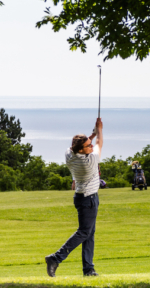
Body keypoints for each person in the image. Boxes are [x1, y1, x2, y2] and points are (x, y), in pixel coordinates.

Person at [45, 118, 103, 277]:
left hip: (81, 197)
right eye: (87, 146)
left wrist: (90, 137)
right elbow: (99, 143)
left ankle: (88, 269)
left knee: (89, 233)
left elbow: (84, 145)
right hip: (89, 199)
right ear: (81, 150)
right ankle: (55, 258)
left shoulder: (69, 154)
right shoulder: (90, 161)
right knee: (84, 232)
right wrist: (99, 130)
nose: (91, 147)